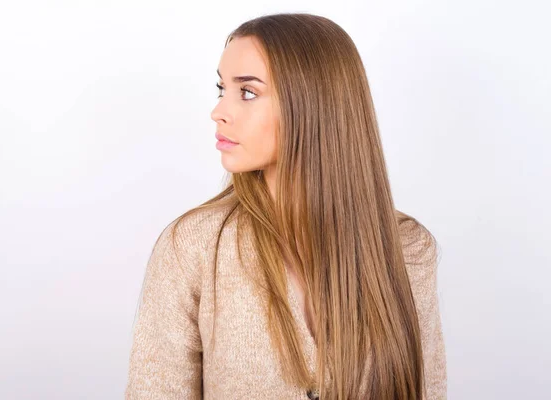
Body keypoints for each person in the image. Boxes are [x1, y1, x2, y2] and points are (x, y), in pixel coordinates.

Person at [125, 12, 447, 400]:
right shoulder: (193, 247)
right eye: (221, 89)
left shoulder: (407, 249)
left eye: (246, 92)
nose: (218, 111)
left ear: (311, 103)